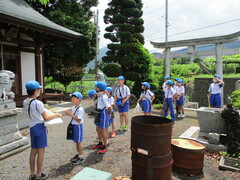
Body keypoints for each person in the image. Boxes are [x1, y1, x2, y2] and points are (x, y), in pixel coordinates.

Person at [23, 80, 62, 180]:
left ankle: (32, 174)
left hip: (32, 126)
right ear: (36, 90)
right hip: (39, 127)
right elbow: (46, 118)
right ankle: (39, 174)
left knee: (33, 151)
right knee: (41, 152)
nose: (40, 90)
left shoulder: (25, 101)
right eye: (39, 89)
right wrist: (56, 115)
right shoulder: (38, 103)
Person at [91, 81, 112, 154]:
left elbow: (109, 107)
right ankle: (100, 143)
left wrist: (110, 114)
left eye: (96, 86)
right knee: (98, 128)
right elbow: (93, 99)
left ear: (99, 88)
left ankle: (105, 145)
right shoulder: (99, 95)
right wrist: (95, 95)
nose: (95, 87)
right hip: (99, 112)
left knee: (103, 130)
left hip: (103, 113)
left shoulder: (104, 96)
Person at [64, 92, 85, 164]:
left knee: (79, 141)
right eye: (71, 98)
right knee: (76, 141)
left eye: (74, 98)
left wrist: (70, 114)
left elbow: (79, 119)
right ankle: (78, 154)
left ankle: (81, 156)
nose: (72, 100)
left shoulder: (80, 109)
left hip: (78, 126)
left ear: (79, 99)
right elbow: (73, 115)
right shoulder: (74, 107)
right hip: (74, 125)